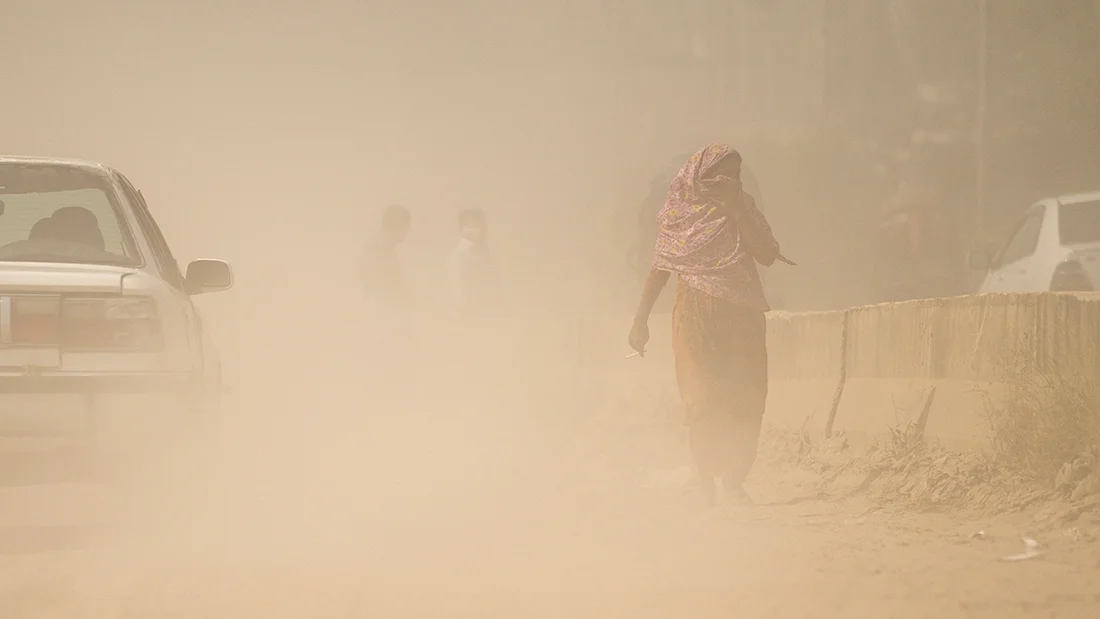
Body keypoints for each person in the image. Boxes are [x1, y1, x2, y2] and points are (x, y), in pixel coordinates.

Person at [627, 144, 783, 507]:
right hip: (696, 318)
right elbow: (660, 269)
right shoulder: (681, 214)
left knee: (745, 399)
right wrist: (640, 321)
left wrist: (736, 211)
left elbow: (766, 254)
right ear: (702, 177)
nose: (730, 181)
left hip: (742, 317)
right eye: (722, 174)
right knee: (701, 399)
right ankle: (705, 479)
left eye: (737, 175)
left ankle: (733, 480)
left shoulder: (744, 208)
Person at [447, 207, 498, 324]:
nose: (471, 230)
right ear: (461, 228)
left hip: (484, 313)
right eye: (467, 225)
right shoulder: (458, 255)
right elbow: (457, 285)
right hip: (465, 315)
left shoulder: (485, 253)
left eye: (475, 226)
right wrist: (461, 310)